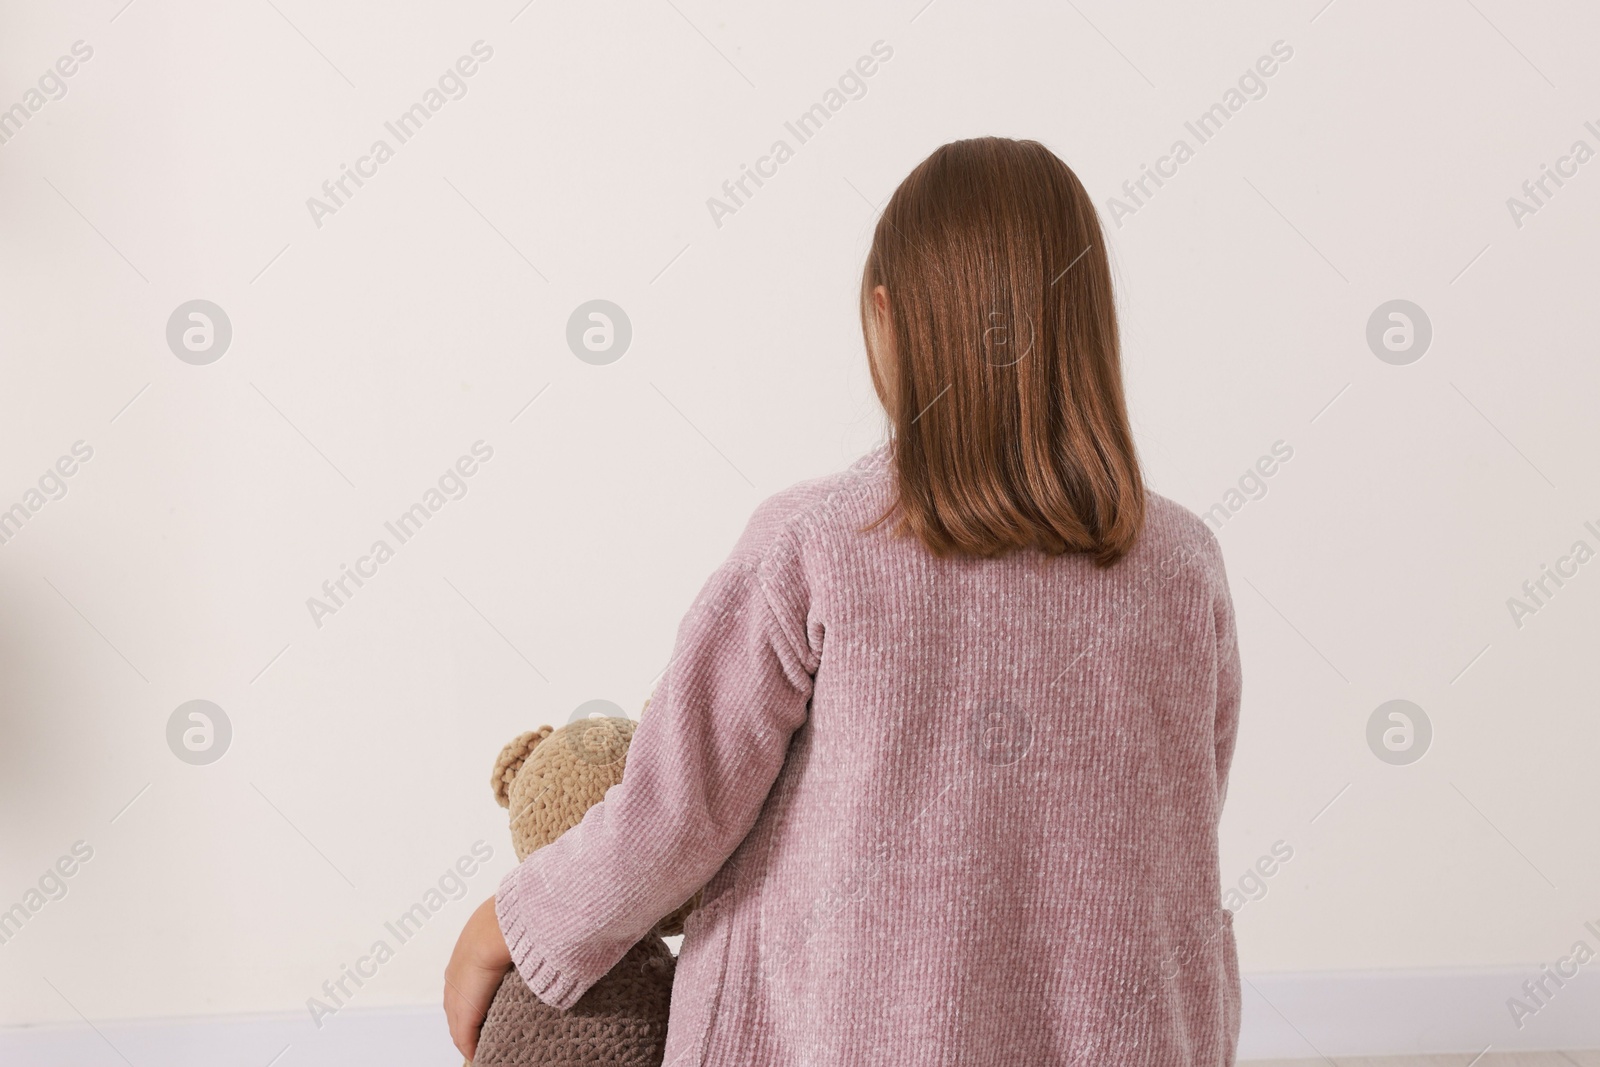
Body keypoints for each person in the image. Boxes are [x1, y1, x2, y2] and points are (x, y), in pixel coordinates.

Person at [445, 136, 1243, 1066]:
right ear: (1089, 328)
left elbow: (678, 804)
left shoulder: (816, 543)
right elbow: (1183, 805)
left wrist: (513, 922)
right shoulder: (1185, 565)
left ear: (886, 319)